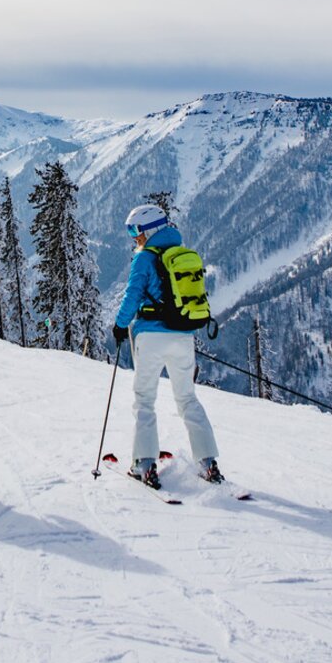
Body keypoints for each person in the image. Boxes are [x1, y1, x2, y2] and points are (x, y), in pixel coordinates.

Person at [113, 203, 221, 488]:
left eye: (136, 231)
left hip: (150, 336)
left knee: (145, 400)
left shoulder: (145, 258)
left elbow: (133, 295)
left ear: (149, 229)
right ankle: (208, 463)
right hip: (183, 336)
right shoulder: (181, 253)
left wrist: (120, 324)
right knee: (187, 398)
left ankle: (145, 465)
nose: (134, 237)